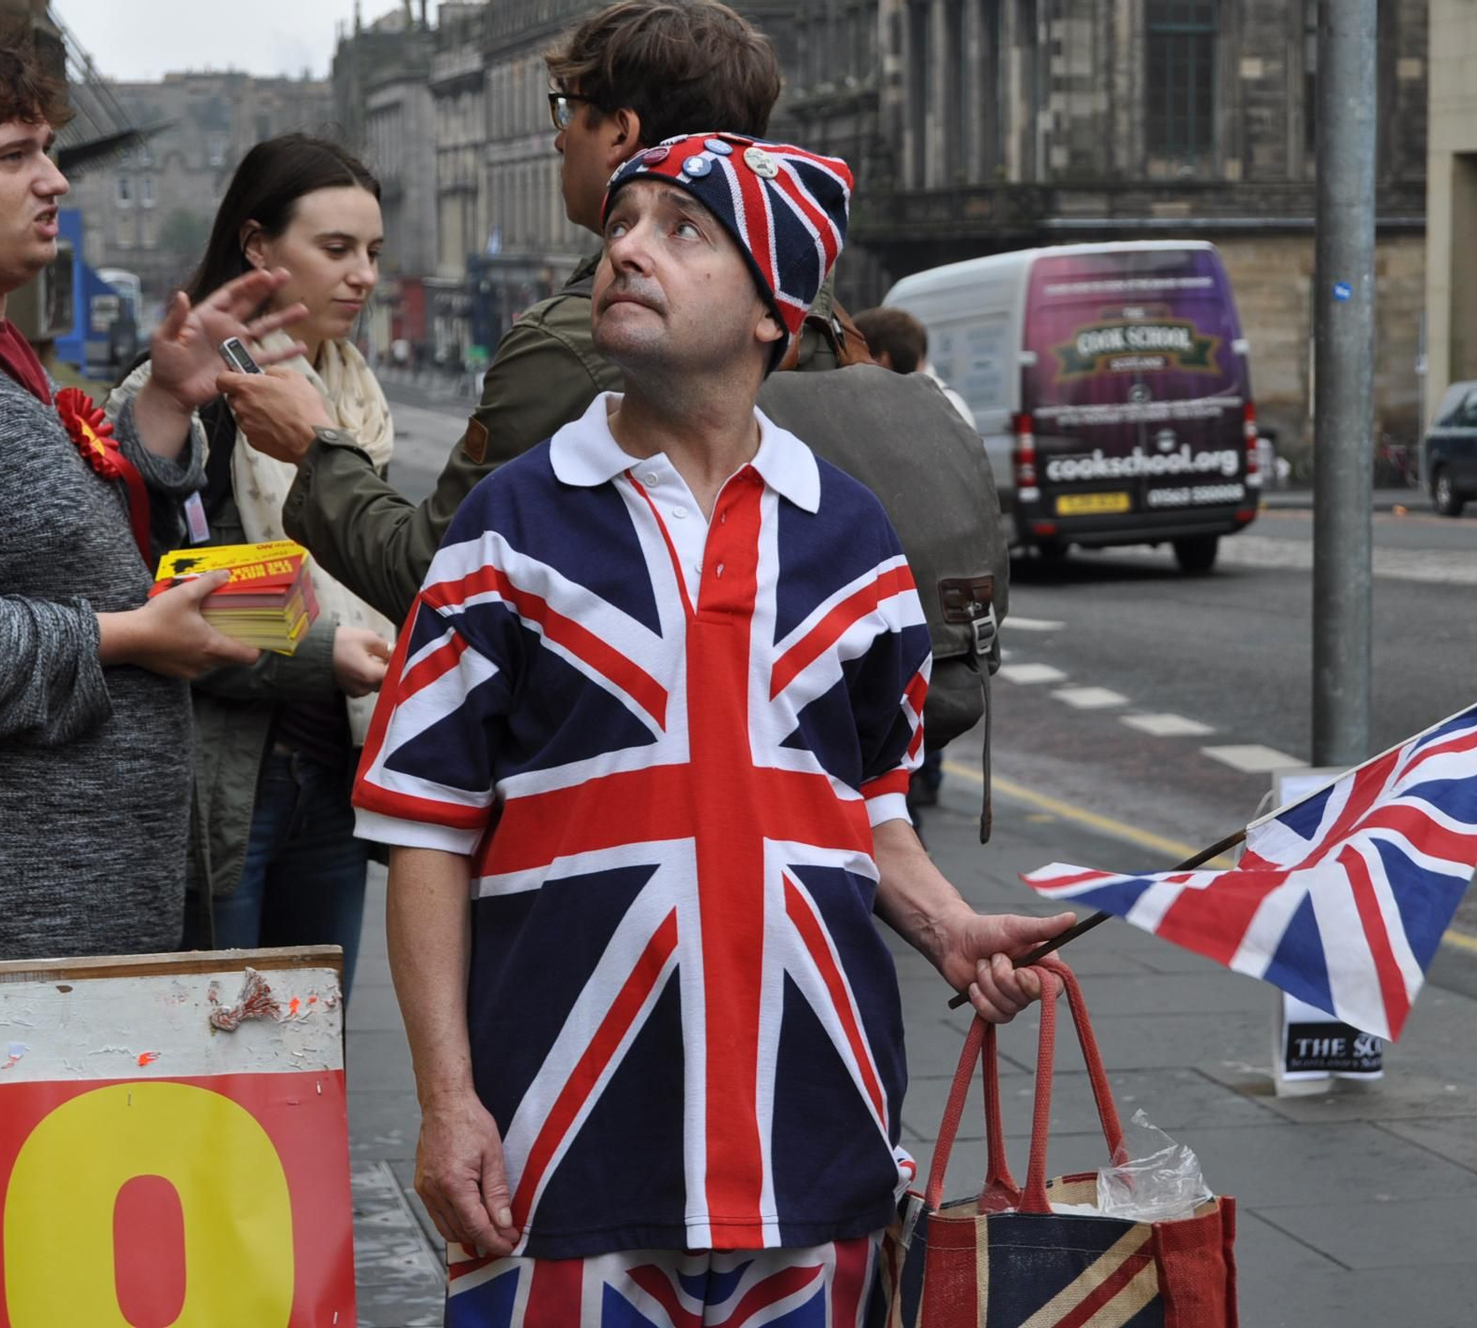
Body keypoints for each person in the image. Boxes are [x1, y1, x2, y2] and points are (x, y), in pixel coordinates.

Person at [351, 134, 1074, 1324]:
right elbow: (427, 828)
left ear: (769, 311)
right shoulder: (505, 527)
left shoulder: (853, 538)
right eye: (620, 223)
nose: (626, 248)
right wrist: (447, 1099)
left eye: (680, 229)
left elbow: (866, 801)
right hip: (557, 1148)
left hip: (815, 1139)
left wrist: (950, 925)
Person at [0, 26, 293, 966]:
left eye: (48, 151)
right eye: (14, 156)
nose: (54, 181)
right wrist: (129, 637)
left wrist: (166, 399)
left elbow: (71, 542)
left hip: (57, 924)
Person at [223, 0, 833, 626]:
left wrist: (315, 449)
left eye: (568, 111)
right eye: (337, 249)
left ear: (619, 135)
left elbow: (438, 577)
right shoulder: (811, 316)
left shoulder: (580, 339)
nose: (559, 137)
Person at [111, 135, 397, 985]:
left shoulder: (353, 396)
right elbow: (151, 594)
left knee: (313, 1040)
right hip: (228, 786)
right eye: (336, 249)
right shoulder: (188, 398)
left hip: (336, 778)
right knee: (222, 1037)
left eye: (374, 252)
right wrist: (322, 652)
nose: (363, 276)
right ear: (258, 246)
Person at [851, 304, 977, 816]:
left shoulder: (881, 410)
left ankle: (913, 782)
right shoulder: (950, 404)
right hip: (949, 566)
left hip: (910, 566)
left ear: (880, 358)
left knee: (907, 677)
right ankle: (923, 778)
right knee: (930, 674)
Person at [854, 305, 975, 422]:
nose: (849, 370)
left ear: (882, 361)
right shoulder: (945, 405)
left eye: (854, 361)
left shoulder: (937, 409)